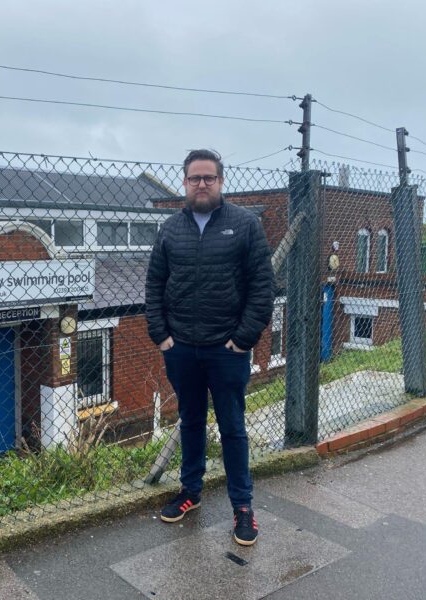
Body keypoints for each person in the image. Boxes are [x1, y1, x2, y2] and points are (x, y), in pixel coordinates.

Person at [145, 148, 274, 546]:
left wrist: (243, 339)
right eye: (195, 178)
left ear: (220, 181)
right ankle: (191, 492)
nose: (202, 184)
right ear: (185, 183)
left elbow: (262, 288)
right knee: (191, 422)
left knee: (233, 428)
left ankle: (243, 507)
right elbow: (154, 286)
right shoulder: (169, 229)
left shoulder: (246, 225)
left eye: (209, 178)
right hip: (181, 348)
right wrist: (161, 336)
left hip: (227, 350)